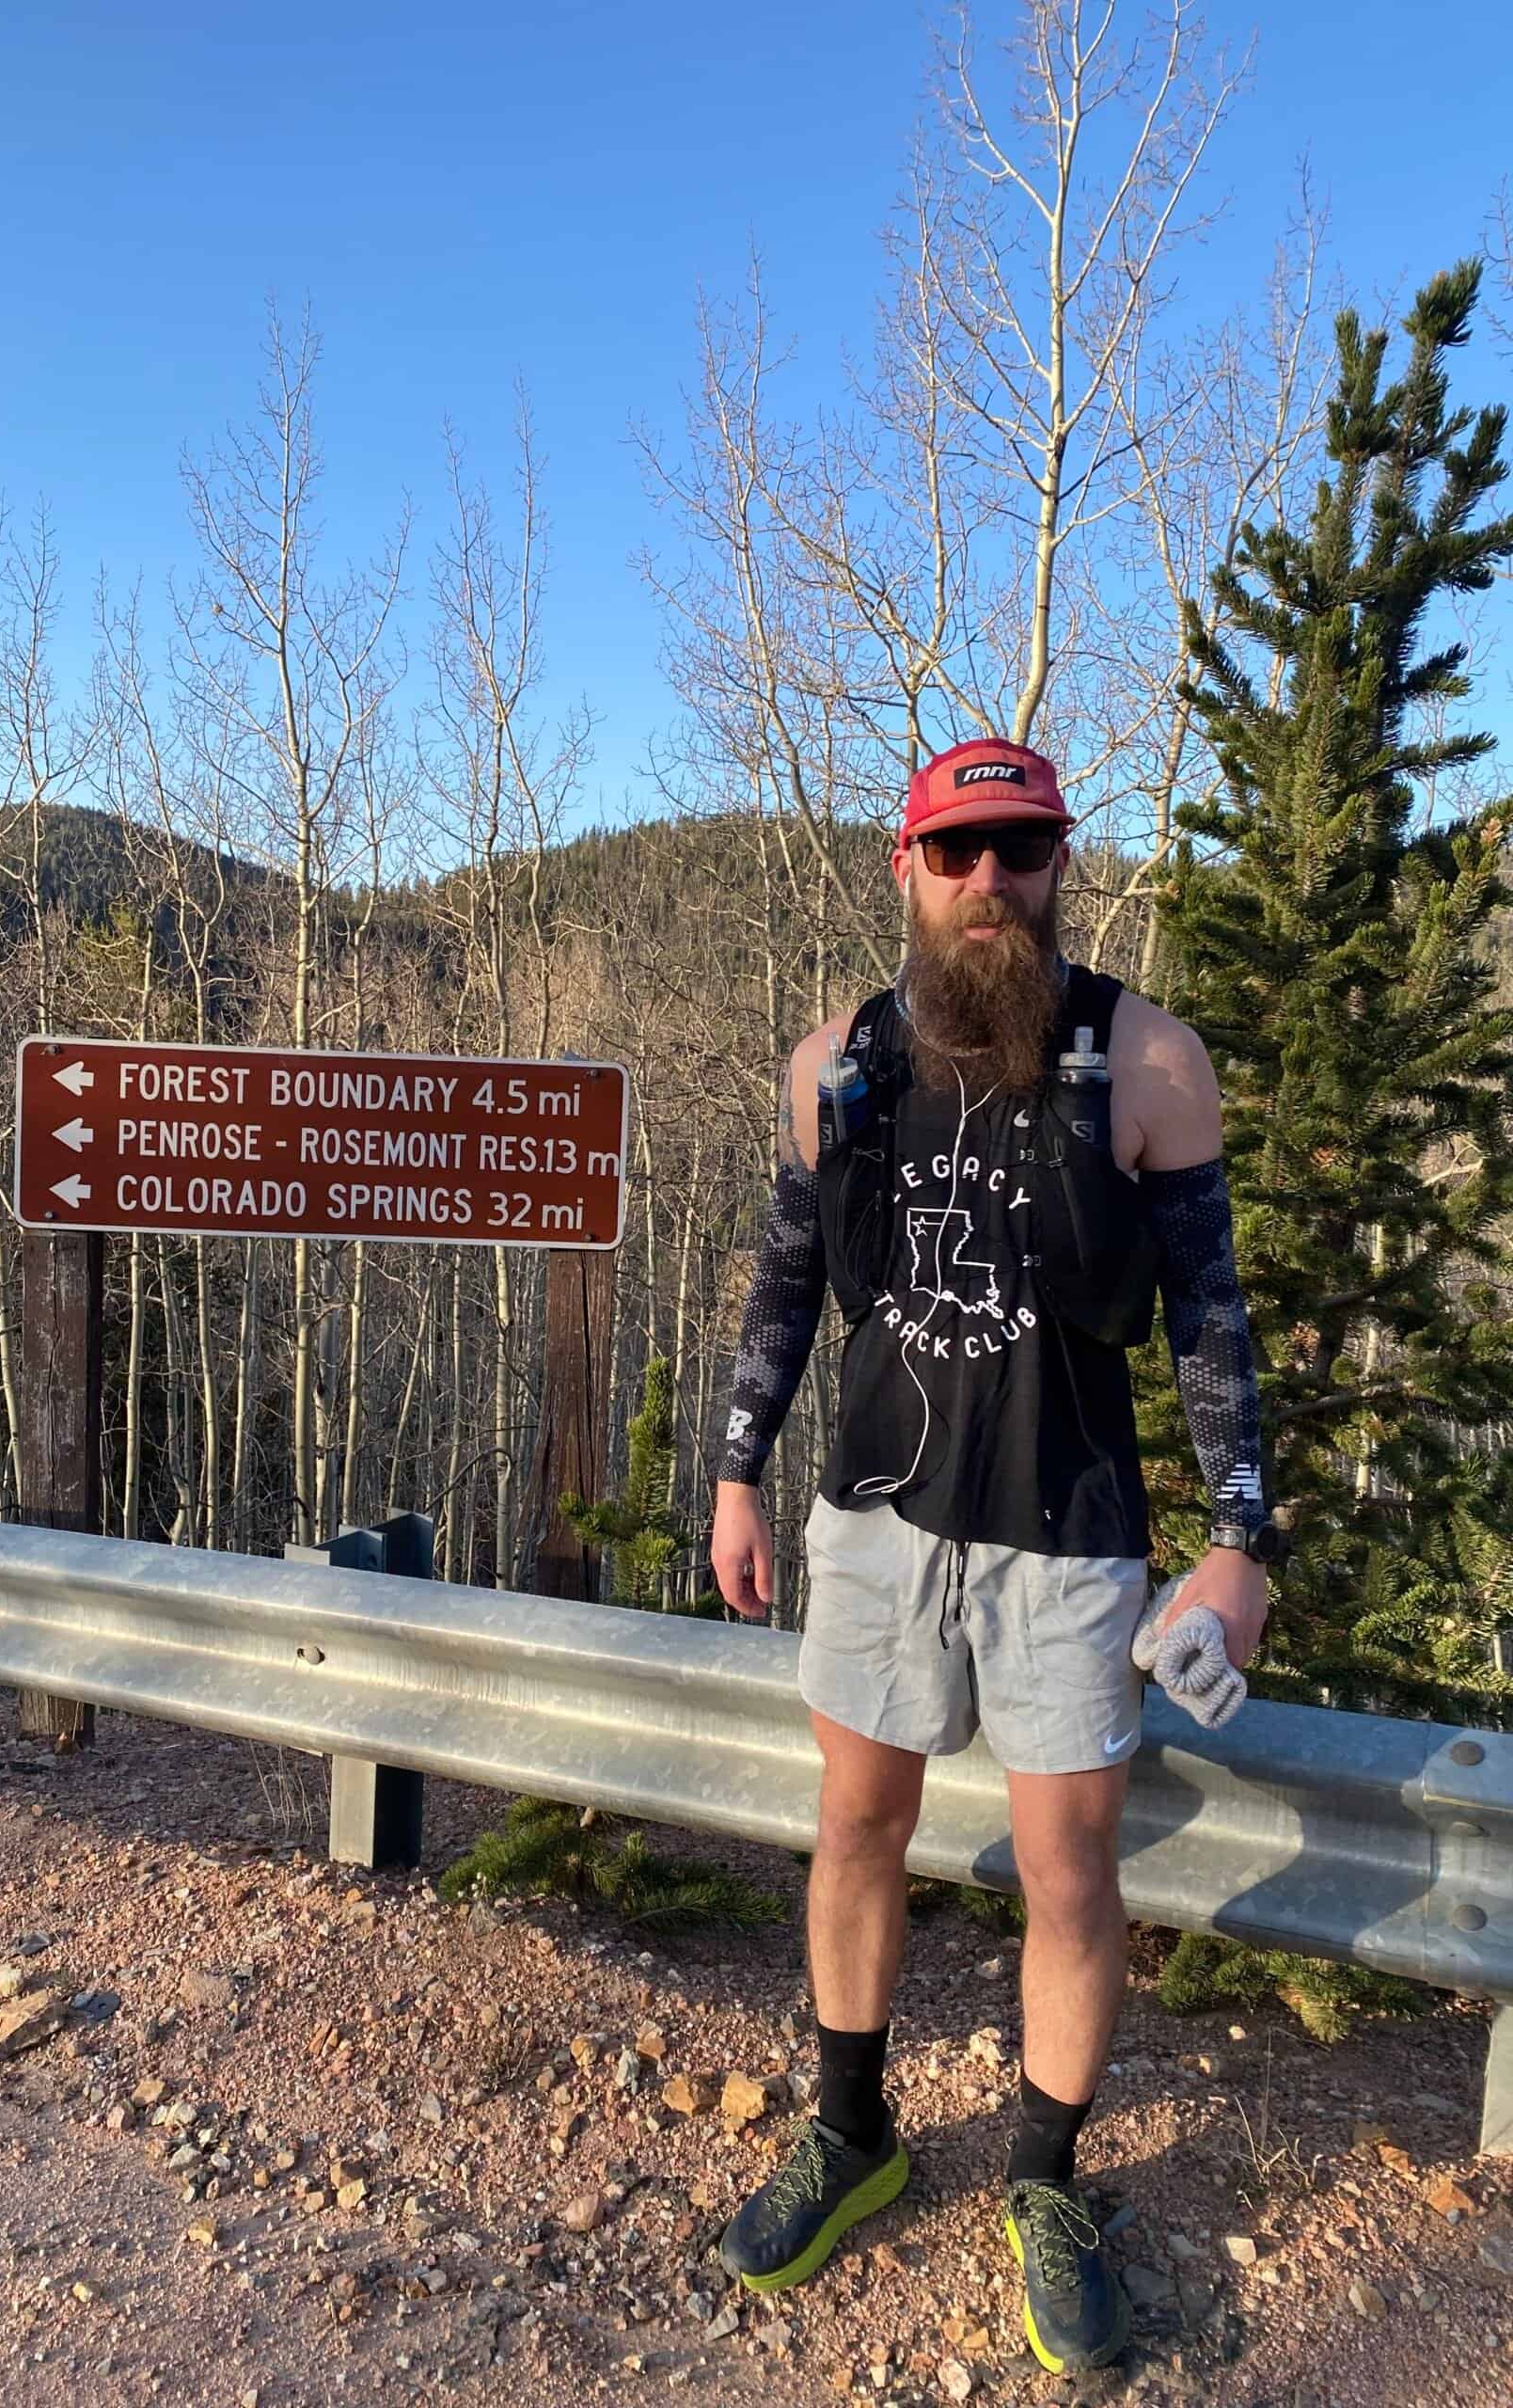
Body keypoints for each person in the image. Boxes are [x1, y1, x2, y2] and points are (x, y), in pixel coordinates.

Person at [709, 737, 1279, 2374]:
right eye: (956, 852)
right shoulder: (838, 1065)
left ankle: (1043, 2178)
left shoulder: (1147, 1064)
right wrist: (740, 1472)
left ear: (1059, 860)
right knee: (855, 1827)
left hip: (1069, 1538)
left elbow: (1212, 1326)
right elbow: (785, 1286)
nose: (987, 882)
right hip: (879, 1522)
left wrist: (1240, 1544)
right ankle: (852, 2132)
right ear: (907, 864)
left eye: (1017, 848)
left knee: (1068, 1875)